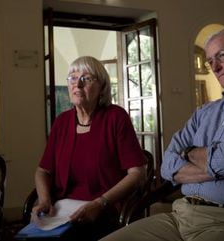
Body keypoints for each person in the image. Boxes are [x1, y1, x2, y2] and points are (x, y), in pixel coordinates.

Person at [101, 27, 224, 241]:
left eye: (222, 55)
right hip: (180, 215)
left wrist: (189, 153)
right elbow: (167, 166)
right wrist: (222, 157)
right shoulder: (205, 112)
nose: (215, 66)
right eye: (210, 60)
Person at [32, 56, 147, 240]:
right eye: (72, 77)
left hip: (105, 210)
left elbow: (137, 173)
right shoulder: (62, 122)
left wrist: (100, 203)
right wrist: (45, 200)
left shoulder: (116, 118)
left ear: (102, 87)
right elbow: (42, 171)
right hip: (64, 211)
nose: (77, 84)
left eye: (86, 78)